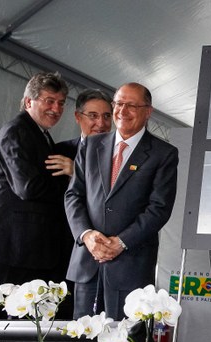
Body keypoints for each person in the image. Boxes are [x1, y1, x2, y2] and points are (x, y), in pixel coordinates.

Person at [65, 82, 179, 320]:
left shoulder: (163, 154)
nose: (121, 111)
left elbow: (158, 209)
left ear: (148, 111)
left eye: (131, 105)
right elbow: (73, 195)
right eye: (118, 104)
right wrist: (86, 235)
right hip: (88, 264)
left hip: (131, 267)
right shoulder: (91, 145)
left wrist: (121, 242)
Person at [0, 72, 74, 319]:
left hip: (20, 248)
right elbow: (28, 187)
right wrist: (72, 181)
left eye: (61, 103)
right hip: (3, 246)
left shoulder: (39, 133)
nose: (56, 108)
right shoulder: (17, 130)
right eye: (49, 101)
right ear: (29, 102)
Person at [55, 89, 113, 158]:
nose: (101, 124)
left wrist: (75, 168)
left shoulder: (118, 155)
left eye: (106, 116)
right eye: (93, 116)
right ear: (78, 117)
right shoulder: (60, 151)